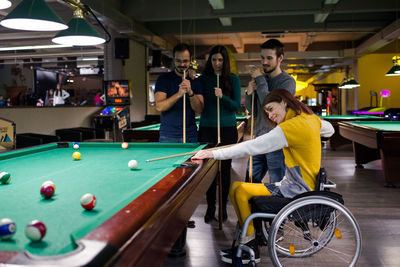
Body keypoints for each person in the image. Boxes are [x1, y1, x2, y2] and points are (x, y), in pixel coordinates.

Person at [192, 89, 334, 264]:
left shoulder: (291, 127)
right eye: (267, 112)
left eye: (271, 108)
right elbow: (330, 129)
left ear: (284, 102)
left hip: (297, 191)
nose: (271, 115)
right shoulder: (309, 119)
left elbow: (251, 146)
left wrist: (213, 154)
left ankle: (250, 246)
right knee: (236, 187)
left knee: (241, 191)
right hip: (294, 185)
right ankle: (248, 242)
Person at [198, 45, 241, 223]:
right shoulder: (203, 79)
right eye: (214, 60)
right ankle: (210, 207)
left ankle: (222, 208)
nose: (217, 63)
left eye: (220, 60)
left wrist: (222, 96)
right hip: (207, 127)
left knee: (224, 170)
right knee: (209, 170)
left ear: (225, 62)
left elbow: (236, 105)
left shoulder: (233, 79)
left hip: (227, 128)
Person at [245, 39, 296, 184]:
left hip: (276, 142)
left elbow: (269, 106)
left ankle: (277, 208)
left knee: (277, 185)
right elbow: (252, 110)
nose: (264, 62)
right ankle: (254, 208)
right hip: (258, 140)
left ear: (280, 58)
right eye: (262, 58)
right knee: (249, 183)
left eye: (269, 58)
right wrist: (249, 93)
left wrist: (260, 79)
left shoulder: (287, 82)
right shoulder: (260, 81)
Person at [155, 43, 204, 143]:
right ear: (173, 59)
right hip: (168, 136)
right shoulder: (164, 79)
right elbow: (160, 106)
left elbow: (199, 109)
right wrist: (179, 94)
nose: (182, 64)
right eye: (178, 61)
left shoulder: (195, 81)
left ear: (190, 60)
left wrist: (190, 92)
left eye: (185, 61)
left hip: (190, 135)